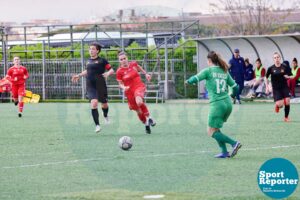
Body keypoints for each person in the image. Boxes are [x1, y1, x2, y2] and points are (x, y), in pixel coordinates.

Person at [186, 51, 242, 158]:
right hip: (228, 104)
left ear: (209, 61)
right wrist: (233, 96)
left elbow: (195, 78)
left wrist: (188, 81)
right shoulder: (224, 71)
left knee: (210, 131)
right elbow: (236, 87)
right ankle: (224, 152)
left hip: (217, 105)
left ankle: (234, 143)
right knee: (215, 128)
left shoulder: (208, 71)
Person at [72, 42, 114, 133]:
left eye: (93, 49)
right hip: (90, 86)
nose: (91, 50)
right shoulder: (88, 61)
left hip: (100, 85)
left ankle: (106, 116)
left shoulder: (103, 60)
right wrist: (79, 75)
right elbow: (87, 71)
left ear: (97, 51)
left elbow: (111, 69)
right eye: (90, 49)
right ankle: (97, 125)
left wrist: (108, 73)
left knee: (104, 104)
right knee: (94, 103)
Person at [116, 51, 156, 134]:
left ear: (127, 58)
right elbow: (120, 84)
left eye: (124, 58)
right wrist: (124, 87)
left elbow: (139, 67)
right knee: (138, 111)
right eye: (121, 59)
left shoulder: (133, 64)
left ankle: (150, 118)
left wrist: (146, 74)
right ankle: (146, 123)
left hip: (138, 86)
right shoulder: (119, 72)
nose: (123, 60)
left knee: (139, 101)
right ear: (119, 61)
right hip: (129, 92)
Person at [265, 52, 292, 122]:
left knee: (287, 101)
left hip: (284, 87)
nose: (276, 59)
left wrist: (288, 76)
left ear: (280, 58)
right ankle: (277, 105)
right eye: (275, 58)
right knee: (280, 105)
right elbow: (266, 77)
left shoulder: (285, 67)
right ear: (273, 59)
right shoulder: (270, 68)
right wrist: (267, 87)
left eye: (278, 57)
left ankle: (286, 117)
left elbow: (291, 75)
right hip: (276, 89)